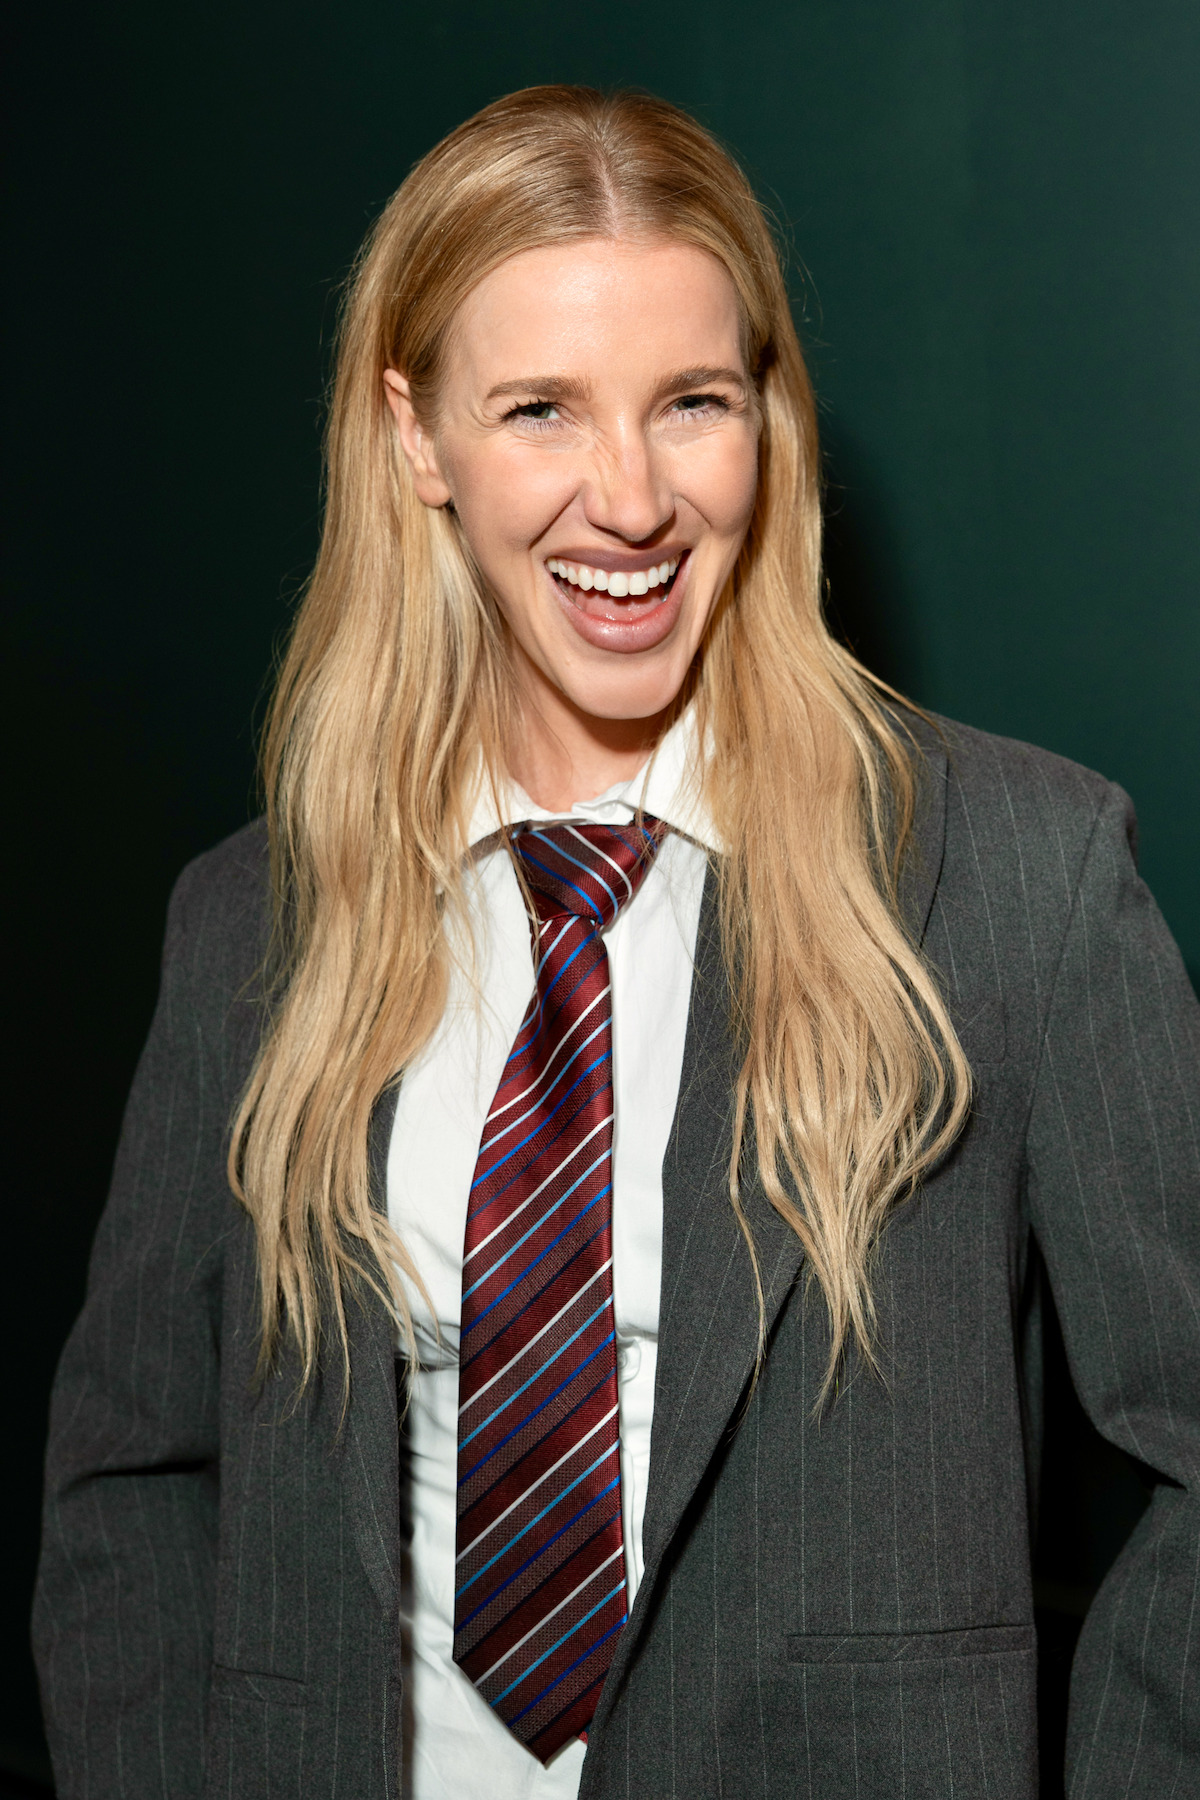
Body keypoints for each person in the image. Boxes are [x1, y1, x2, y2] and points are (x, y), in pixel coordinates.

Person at [33, 84, 1199, 1800]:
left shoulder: (1023, 878)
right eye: (540, 412)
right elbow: (131, 1482)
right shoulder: (249, 920)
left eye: (693, 404)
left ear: (767, 420)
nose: (633, 500)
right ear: (416, 436)